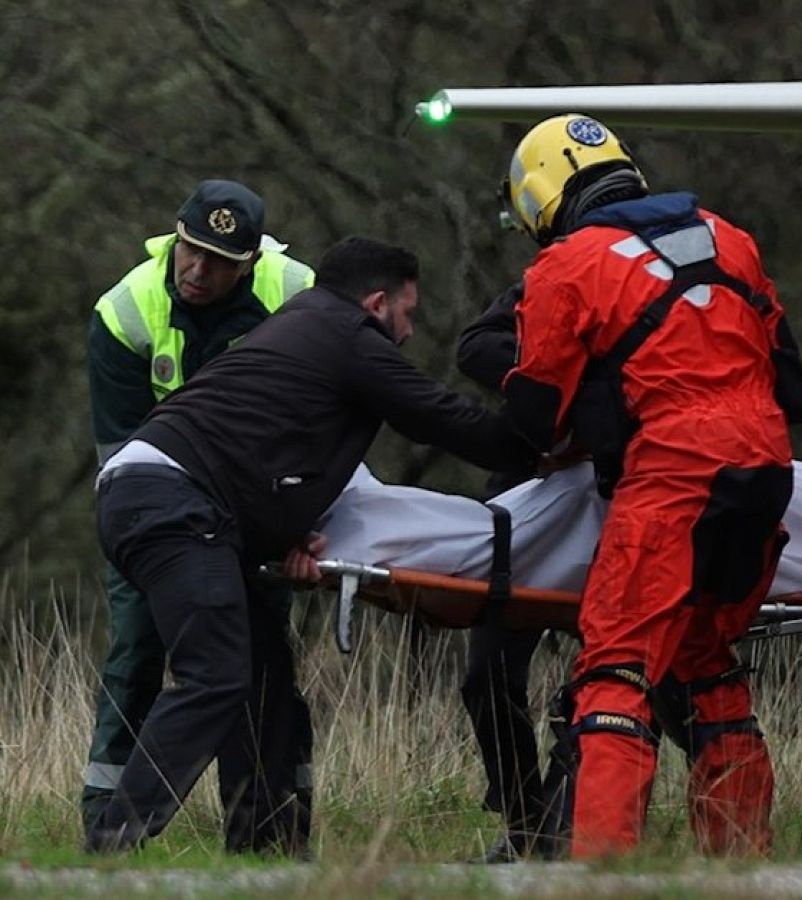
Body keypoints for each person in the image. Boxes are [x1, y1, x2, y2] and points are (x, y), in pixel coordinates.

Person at [85, 236, 537, 854]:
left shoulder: (300, 325)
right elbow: (447, 418)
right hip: (170, 499)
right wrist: (546, 443)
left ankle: (268, 851)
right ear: (377, 303)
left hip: (172, 498)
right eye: (408, 314)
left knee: (263, 672)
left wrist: (285, 534)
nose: (408, 332)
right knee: (215, 673)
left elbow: (259, 450)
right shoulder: (347, 335)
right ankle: (112, 843)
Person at [499, 113, 802, 858]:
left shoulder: (569, 264)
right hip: (764, 470)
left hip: (676, 472)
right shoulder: (729, 236)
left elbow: (532, 414)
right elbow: (793, 389)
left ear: (541, 200)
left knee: (616, 667)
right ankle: (740, 861)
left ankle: (603, 864)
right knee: (705, 662)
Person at [83, 180, 316, 849]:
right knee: (136, 651)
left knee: (264, 663)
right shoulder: (125, 312)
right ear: (175, 237)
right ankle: (103, 835)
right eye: (191, 250)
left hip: (262, 508)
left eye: (219, 260)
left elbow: (319, 421)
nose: (198, 269)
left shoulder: (298, 296)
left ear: (251, 261)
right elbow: (116, 459)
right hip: (156, 511)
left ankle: (272, 837)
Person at [454, 280, 553, 863]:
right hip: (527, 500)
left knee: (632, 678)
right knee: (486, 678)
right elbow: (475, 347)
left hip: (616, 501)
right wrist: (553, 370)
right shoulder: (545, 282)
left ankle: (579, 817)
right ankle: (528, 824)